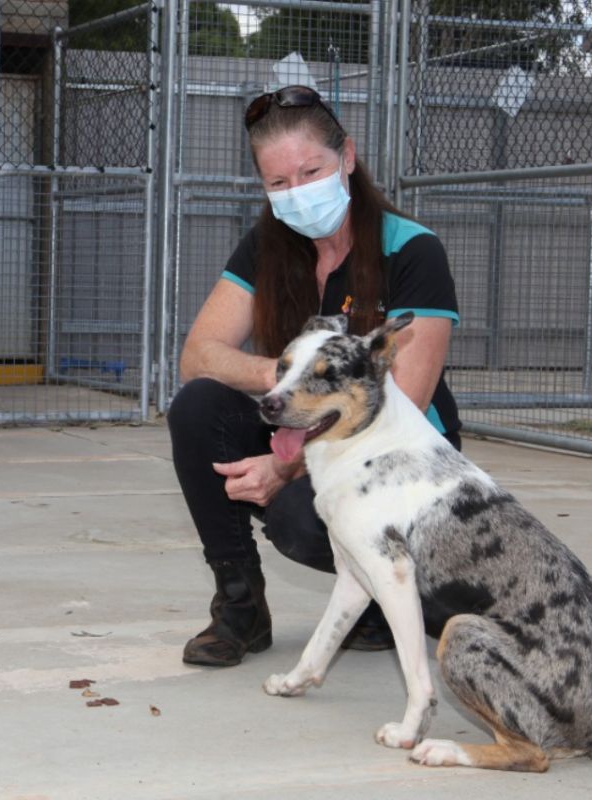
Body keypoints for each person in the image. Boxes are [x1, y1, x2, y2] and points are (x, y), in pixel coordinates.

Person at [167, 85, 462, 667]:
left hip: (401, 463)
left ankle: (385, 593)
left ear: (347, 159)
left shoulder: (413, 251)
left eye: (311, 171)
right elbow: (199, 355)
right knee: (199, 406)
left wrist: (283, 465)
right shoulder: (267, 247)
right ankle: (239, 604)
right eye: (279, 183)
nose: (297, 192)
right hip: (313, 427)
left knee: (299, 518)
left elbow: (404, 396)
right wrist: (295, 380)